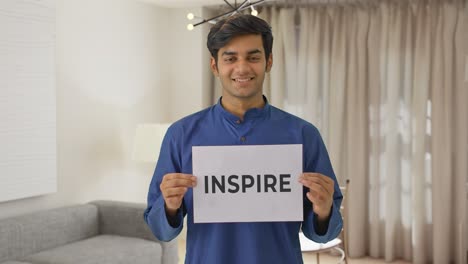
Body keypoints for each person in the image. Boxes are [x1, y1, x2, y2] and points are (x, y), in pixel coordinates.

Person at [144, 14, 343, 264]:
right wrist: (170, 207)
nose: (242, 68)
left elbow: (323, 233)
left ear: (268, 62)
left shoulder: (303, 134)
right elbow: (160, 229)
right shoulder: (181, 135)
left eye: (253, 57)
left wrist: (324, 210)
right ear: (215, 66)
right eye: (230, 58)